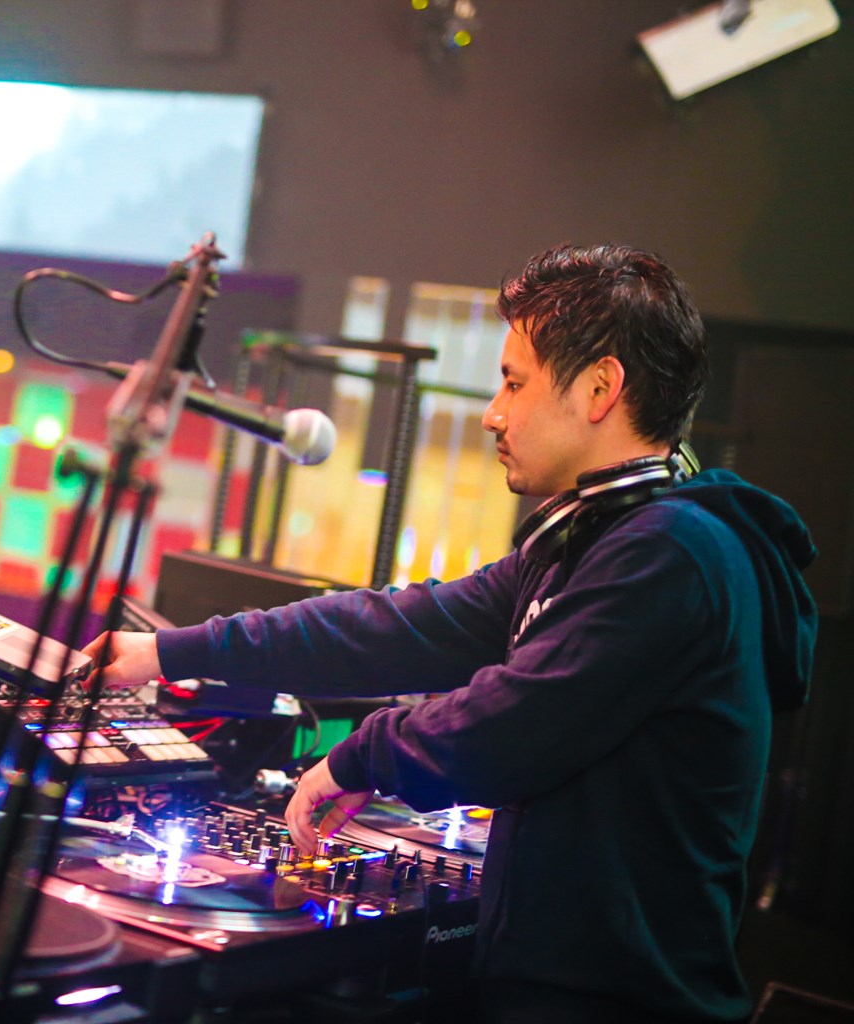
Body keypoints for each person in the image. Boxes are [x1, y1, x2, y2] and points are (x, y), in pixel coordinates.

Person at [84, 243, 817, 1024]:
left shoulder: (670, 552)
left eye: (514, 383)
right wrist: (169, 651)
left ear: (600, 388)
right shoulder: (594, 542)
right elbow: (393, 627)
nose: (494, 413)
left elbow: (518, 721)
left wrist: (360, 756)